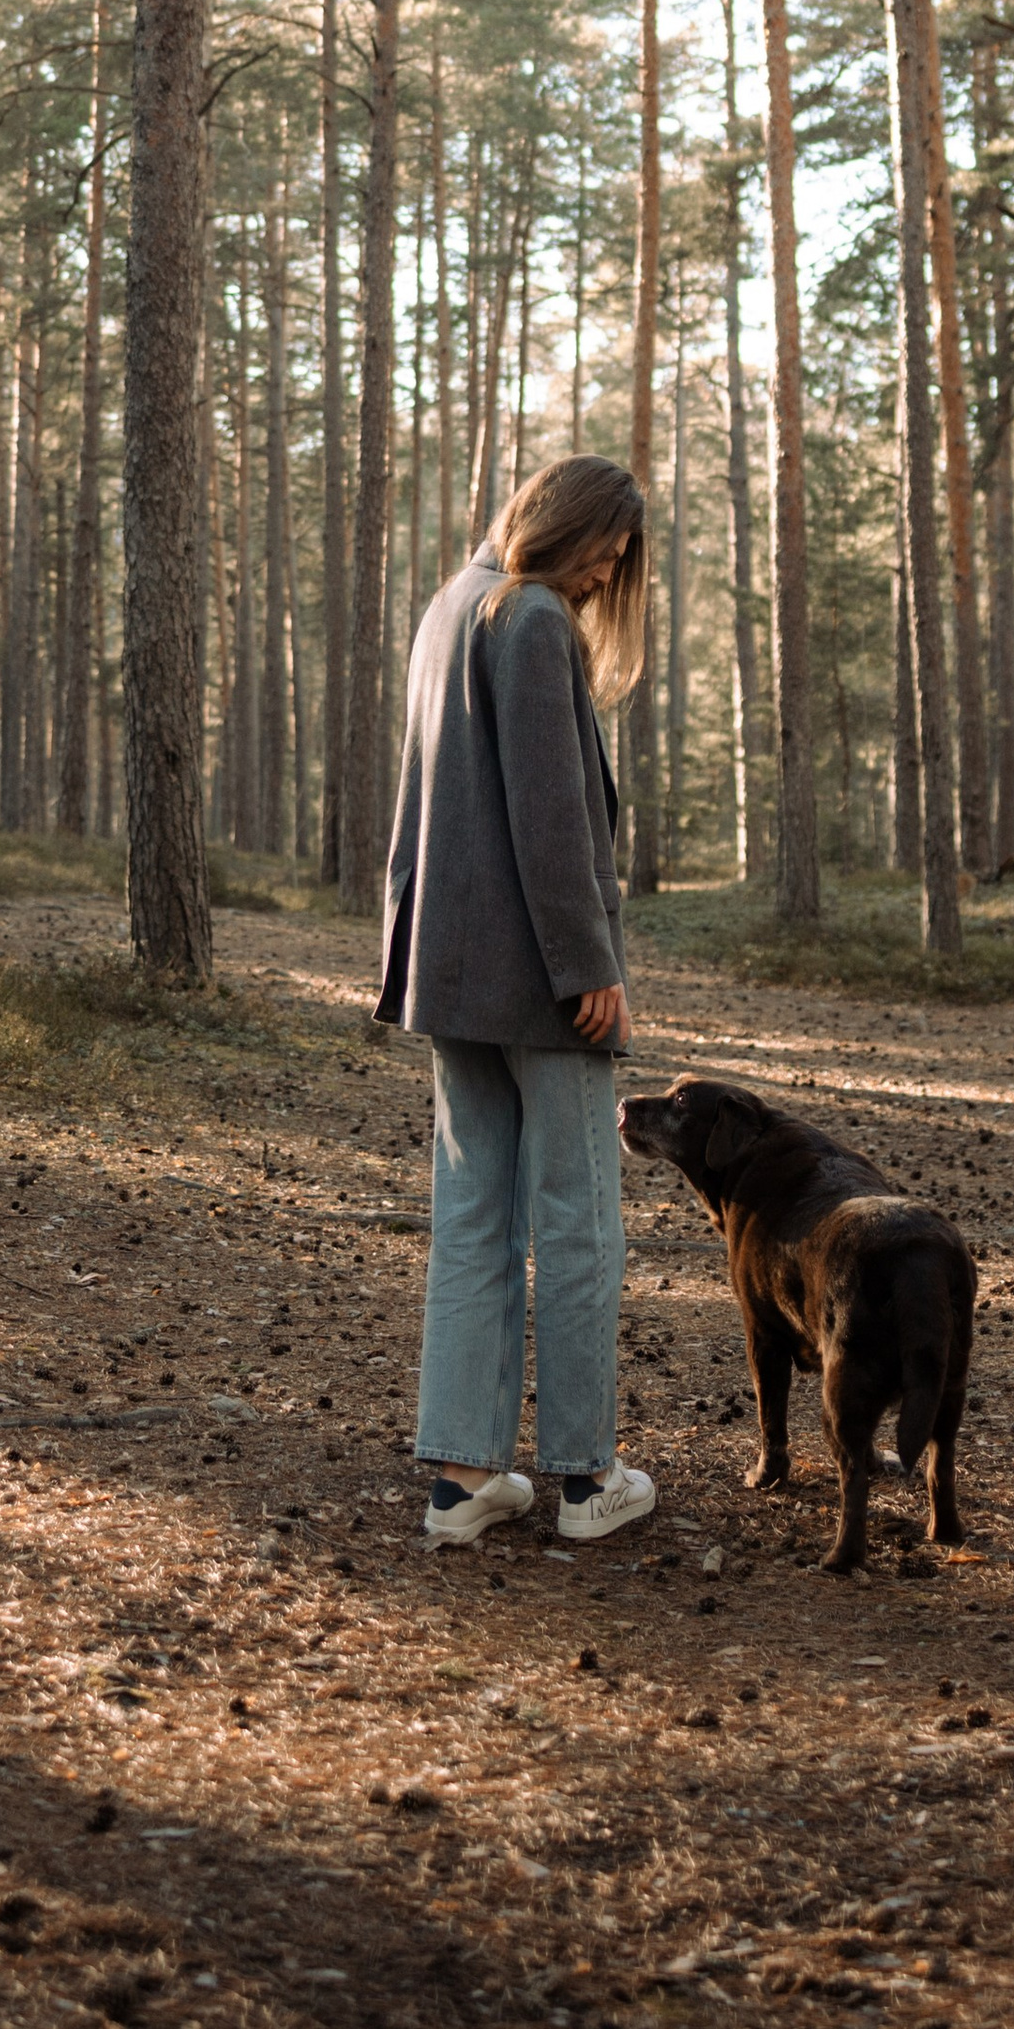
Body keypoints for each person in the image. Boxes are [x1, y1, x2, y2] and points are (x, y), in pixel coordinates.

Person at [376, 452, 658, 1549]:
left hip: (450, 972)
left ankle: (461, 1481)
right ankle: (586, 1481)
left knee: (472, 1222)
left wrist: (409, 957)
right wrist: (588, 964)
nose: (602, 575)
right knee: (578, 1222)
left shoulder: (450, 605)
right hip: (545, 981)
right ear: (566, 525)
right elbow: (550, 817)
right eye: (605, 548)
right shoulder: (529, 616)